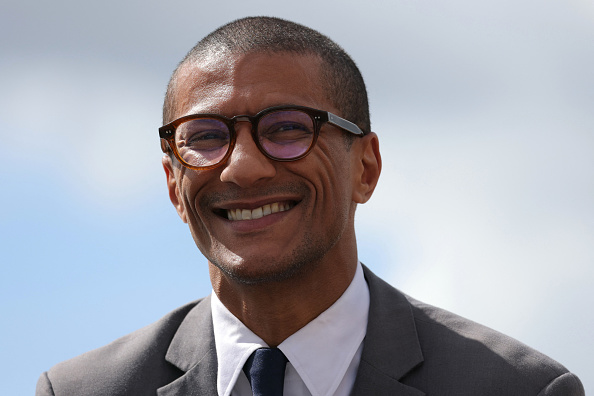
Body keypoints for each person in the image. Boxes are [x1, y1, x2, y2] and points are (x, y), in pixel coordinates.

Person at [36, 16, 584, 396]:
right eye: (204, 136)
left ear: (365, 168)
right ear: (174, 185)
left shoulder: (514, 390)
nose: (242, 167)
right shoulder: (83, 392)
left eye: (288, 128)